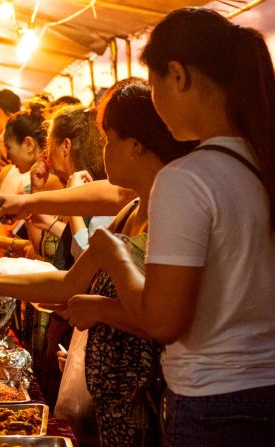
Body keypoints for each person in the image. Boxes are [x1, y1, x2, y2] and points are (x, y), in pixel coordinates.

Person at [0, 78, 196, 446]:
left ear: (137, 147)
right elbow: (65, 284)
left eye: (109, 139)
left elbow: (169, 319)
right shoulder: (131, 210)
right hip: (112, 402)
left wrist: (103, 309)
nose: (102, 150)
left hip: (149, 402)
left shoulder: (170, 217)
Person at [85, 8, 275, 446]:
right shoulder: (261, 161)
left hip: (213, 405)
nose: (153, 100)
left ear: (177, 75)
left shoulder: (187, 178)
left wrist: (115, 256)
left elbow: (163, 321)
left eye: (152, 85)